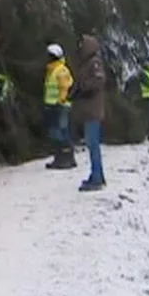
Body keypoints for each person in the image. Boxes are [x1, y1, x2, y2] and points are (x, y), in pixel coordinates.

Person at [70, 34, 108, 192]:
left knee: (93, 144)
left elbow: (99, 80)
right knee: (92, 144)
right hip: (88, 110)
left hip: (93, 110)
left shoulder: (94, 63)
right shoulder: (87, 64)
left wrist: (83, 87)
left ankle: (97, 177)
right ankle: (97, 175)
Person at [42, 43, 77, 170]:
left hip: (60, 105)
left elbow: (65, 87)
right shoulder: (52, 69)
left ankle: (67, 158)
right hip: (52, 105)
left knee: (62, 131)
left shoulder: (61, 69)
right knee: (55, 132)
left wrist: (61, 100)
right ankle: (59, 157)